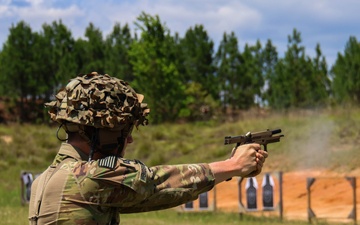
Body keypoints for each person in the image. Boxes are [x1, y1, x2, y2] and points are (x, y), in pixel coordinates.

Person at [28, 72, 268, 225]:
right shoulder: (89, 177)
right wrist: (233, 165)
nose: (129, 140)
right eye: (124, 131)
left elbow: (156, 198)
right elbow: (158, 184)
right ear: (98, 131)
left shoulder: (44, 180)